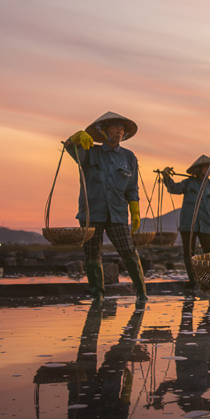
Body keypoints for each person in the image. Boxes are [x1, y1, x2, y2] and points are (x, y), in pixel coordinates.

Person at [65, 111, 148, 303]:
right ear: (104, 130)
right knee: (92, 254)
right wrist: (74, 138)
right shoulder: (89, 151)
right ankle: (97, 296)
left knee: (128, 251)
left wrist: (134, 210)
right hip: (92, 213)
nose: (120, 131)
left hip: (117, 214)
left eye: (122, 128)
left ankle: (142, 294)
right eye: (115, 127)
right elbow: (69, 149)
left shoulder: (129, 157)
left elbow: (132, 188)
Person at [161, 155, 210, 288]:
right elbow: (173, 189)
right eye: (206, 167)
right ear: (199, 168)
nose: (209, 170)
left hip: (206, 225)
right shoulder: (188, 183)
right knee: (189, 253)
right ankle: (193, 280)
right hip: (188, 225)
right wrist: (166, 177)